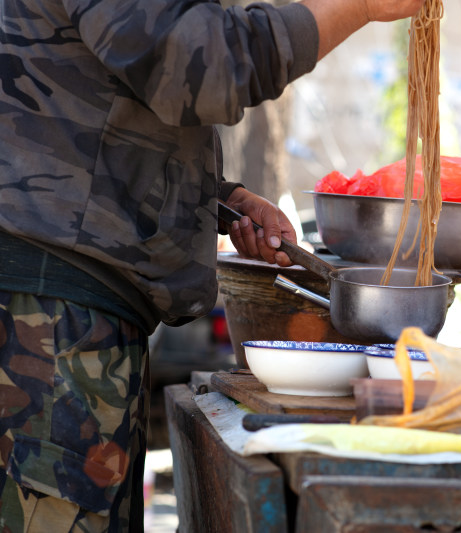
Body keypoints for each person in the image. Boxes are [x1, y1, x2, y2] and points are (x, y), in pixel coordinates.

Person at [0, 0, 425, 530]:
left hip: (64, 303)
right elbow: (198, 62)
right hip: (43, 315)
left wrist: (219, 199)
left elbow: (94, 96)